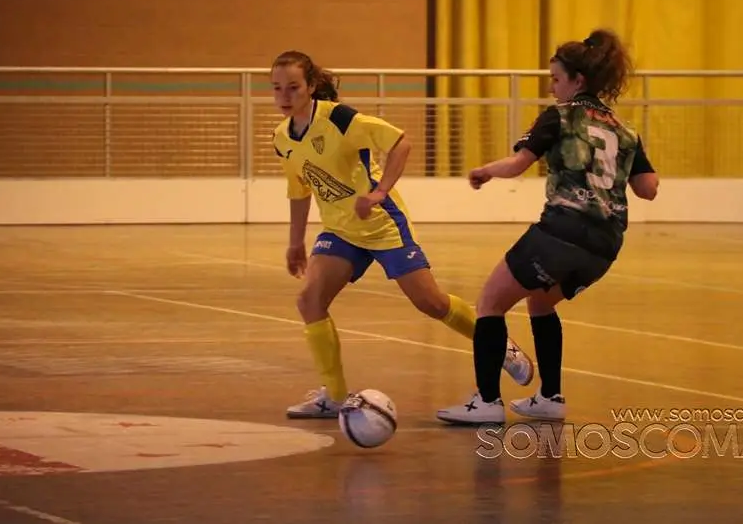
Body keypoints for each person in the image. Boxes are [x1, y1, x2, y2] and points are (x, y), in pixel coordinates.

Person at [269, 50, 535, 418]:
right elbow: (299, 191)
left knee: (432, 304)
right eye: (277, 89)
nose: (284, 97)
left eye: (293, 87)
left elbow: (400, 143)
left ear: (312, 87)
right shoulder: (282, 138)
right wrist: (295, 241)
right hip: (340, 230)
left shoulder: (342, 120)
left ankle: (498, 344)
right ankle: (334, 396)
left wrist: (379, 193)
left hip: (381, 224)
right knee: (309, 301)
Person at [436, 29, 659, 425]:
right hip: (604, 245)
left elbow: (519, 163)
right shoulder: (625, 132)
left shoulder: (559, 116)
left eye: (556, 78)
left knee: (489, 303)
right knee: (540, 301)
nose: (551, 85)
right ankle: (550, 396)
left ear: (578, 81)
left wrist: (485, 171)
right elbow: (649, 189)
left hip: (562, 230)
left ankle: (487, 402)